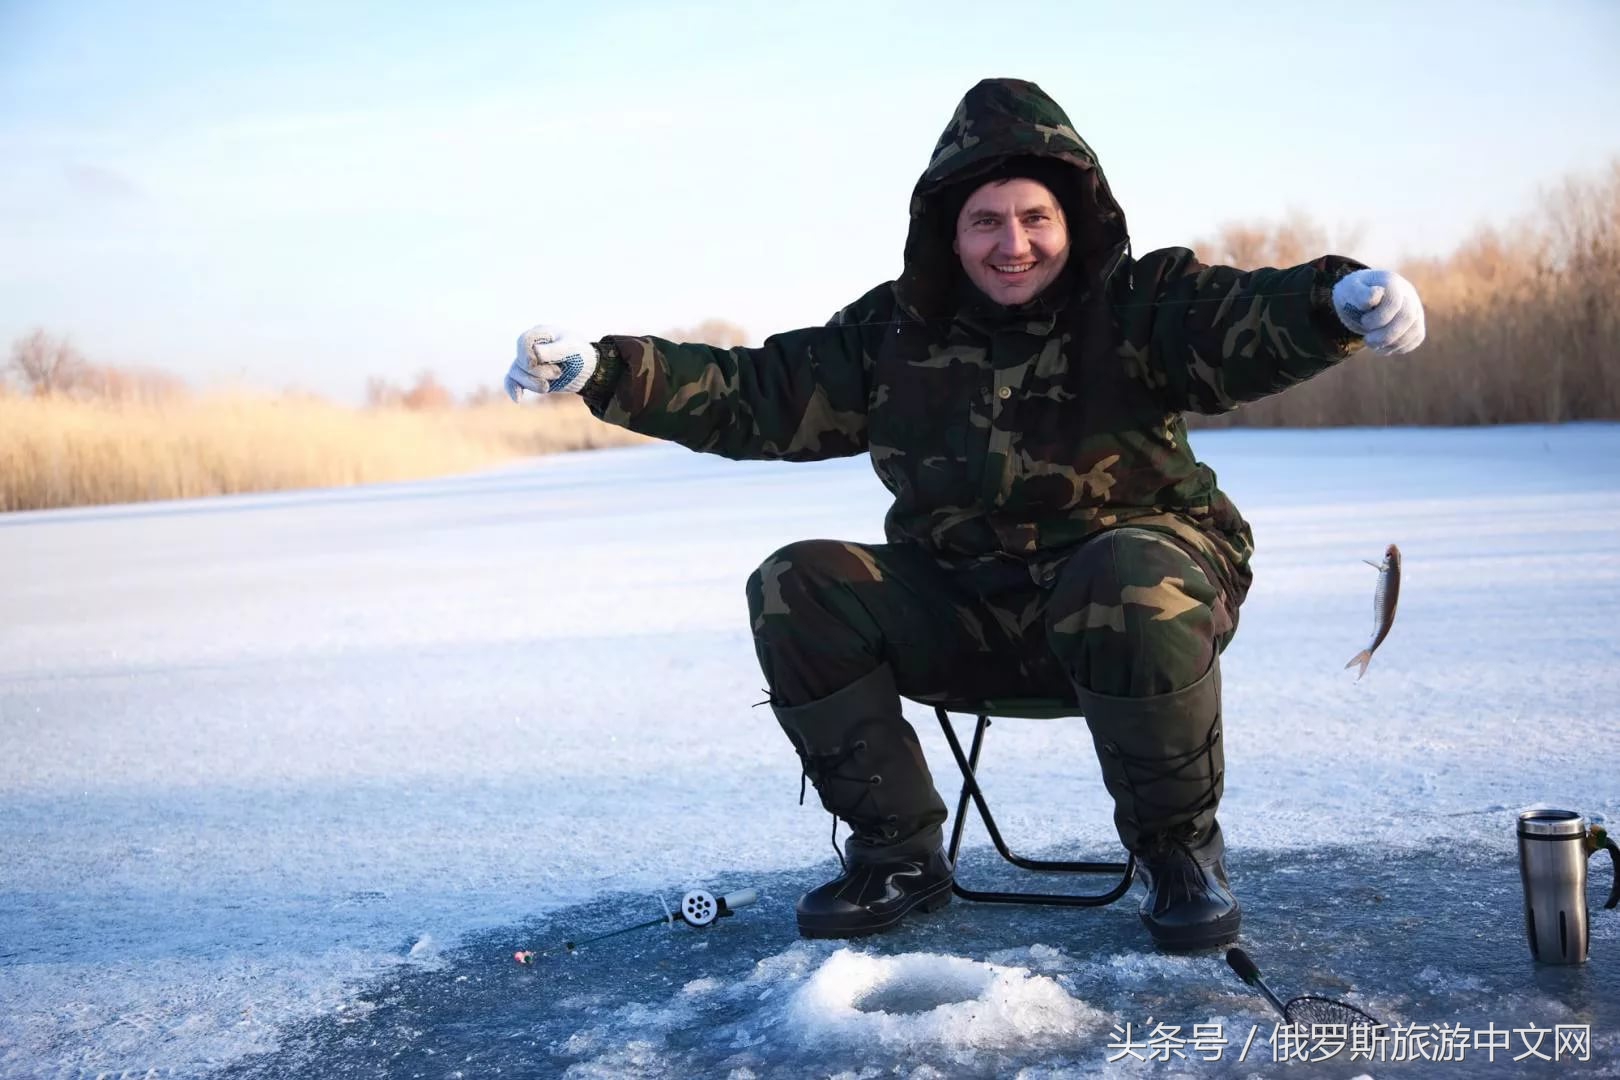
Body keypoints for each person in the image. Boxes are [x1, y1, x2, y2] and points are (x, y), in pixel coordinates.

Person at [502, 77, 1425, 952]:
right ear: (950, 232)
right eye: (986, 221)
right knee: (800, 582)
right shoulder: (892, 331)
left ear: (1076, 221)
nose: (1011, 243)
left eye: (1035, 218)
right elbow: (758, 392)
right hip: (963, 607)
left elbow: (1242, 321)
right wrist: (607, 370)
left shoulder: (1141, 305)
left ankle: (1178, 851)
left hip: (1139, 602)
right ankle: (898, 856)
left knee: (1125, 577)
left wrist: (1336, 303)